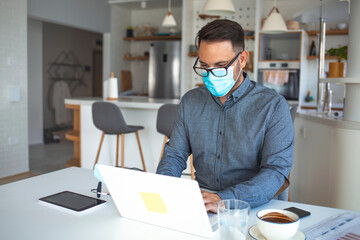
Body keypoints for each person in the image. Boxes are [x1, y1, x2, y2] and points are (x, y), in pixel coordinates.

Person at [156, 19, 294, 212]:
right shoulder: (190, 102)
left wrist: (224, 199)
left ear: (242, 59)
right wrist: (163, 189)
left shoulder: (272, 106)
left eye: (220, 66)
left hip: (255, 206)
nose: (211, 75)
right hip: (204, 203)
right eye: (205, 66)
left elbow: (276, 172)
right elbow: (175, 154)